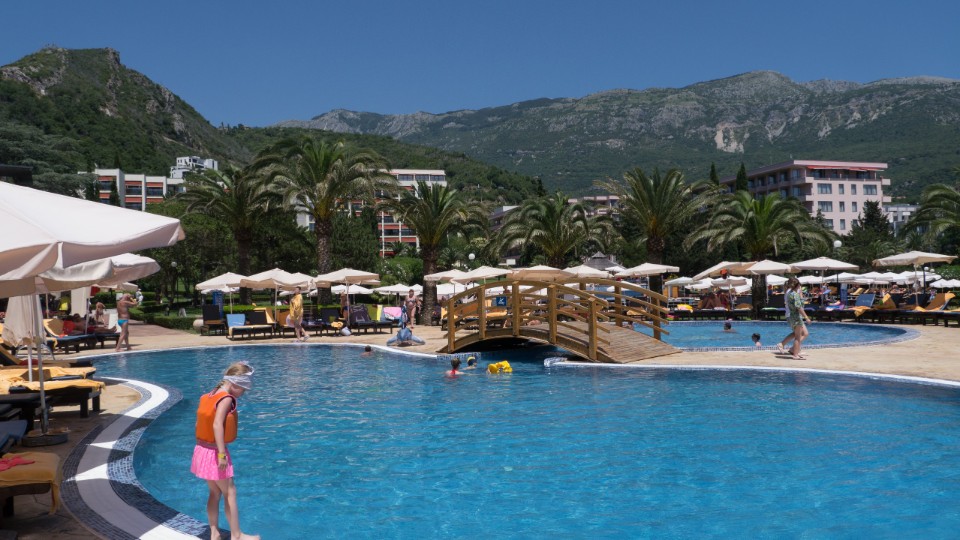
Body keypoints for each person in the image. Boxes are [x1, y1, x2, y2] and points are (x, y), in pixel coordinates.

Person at [191, 362, 259, 540]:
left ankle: (214, 533)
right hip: (215, 453)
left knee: (214, 493)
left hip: (202, 450)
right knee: (230, 492)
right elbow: (217, 425)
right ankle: (237, 535)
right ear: (235, 383)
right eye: (242, 389)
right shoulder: (226, 398)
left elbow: (198, 424)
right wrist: (221, 454)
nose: (243, 393)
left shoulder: (208, 395)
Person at [777, 277, 812, 360]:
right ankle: (795, 354)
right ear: (797, 285)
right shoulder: (794, 294)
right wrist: (806, 317)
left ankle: (794, 350)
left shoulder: (790, 293)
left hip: (792, 316)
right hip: (796, 316)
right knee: (798, 336)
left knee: (799, 335)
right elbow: (799, 307)